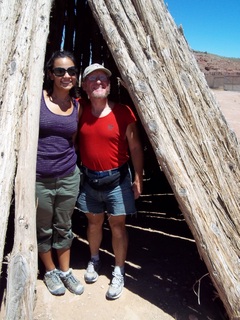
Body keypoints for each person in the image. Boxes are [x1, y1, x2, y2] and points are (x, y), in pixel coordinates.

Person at [77, 63, 143, 299]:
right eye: (92, 78)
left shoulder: (123, 112)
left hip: (117, 180)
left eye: (103, 78)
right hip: (90, 180)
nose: (98, 82)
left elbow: (135, 147)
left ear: (109, 85)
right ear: (84, 86)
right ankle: (94, 260)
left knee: (117, 226)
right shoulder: (80, 109)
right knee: (93, 223)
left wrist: (138, 176)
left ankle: (119, 270)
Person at [36, 50, 84, 296]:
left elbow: (73, 140)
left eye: (71, 71)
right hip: (38, 179)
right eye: (60, 71)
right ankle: (50, 270)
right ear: (50, 74)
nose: (66, 75)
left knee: (64, 225)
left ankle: (65, 271)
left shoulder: (76, 106)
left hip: (67, 175)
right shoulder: (38, 100)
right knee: (43, 227)